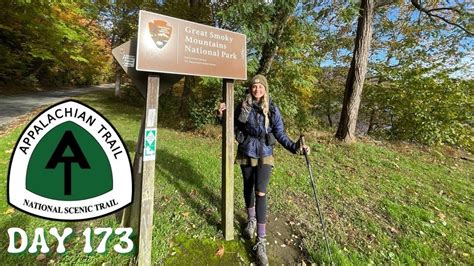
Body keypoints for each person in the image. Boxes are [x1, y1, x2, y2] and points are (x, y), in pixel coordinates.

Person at [217, 74, 310, 265]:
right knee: (247, 187)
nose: (257, 89)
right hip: (246, 150)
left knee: (260, 191)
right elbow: (231, 125)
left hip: (265, 153)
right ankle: (250, 220)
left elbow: (280, 133)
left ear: (265, 89)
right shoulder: (243, 106)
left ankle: (261, 241)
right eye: (254, 86)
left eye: (260, 87)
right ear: (250, 89)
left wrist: (295, 148)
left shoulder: (273, 109)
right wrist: (221, 115)